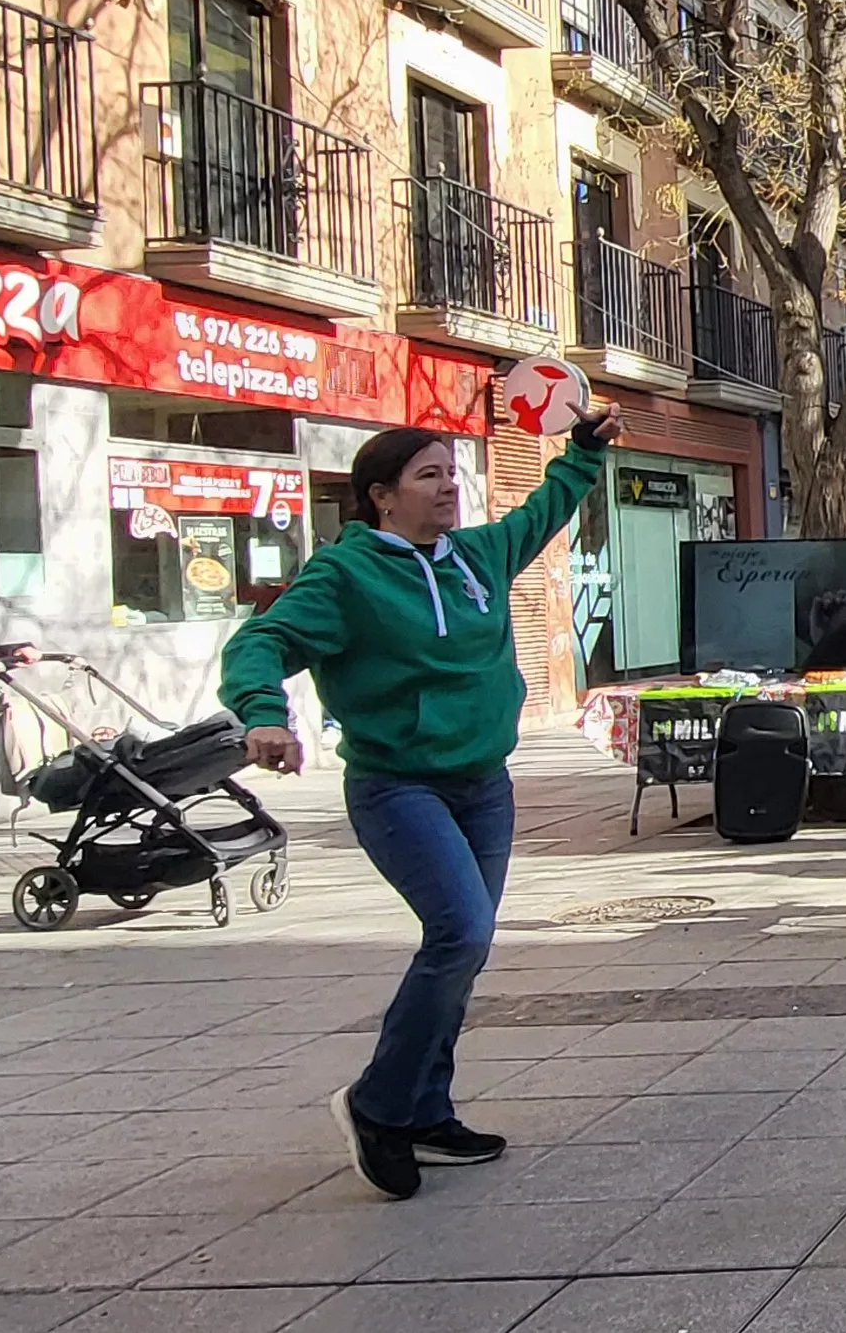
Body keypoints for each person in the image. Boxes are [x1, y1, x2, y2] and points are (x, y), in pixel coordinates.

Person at [222, 407, 622, 1200]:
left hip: (484, 785)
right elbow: (260, 642)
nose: (448, 487)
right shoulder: (345, 576)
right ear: (381, 495)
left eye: (451, 472)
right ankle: (377, 1104)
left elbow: (544, 509)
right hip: (397, 784)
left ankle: (426, 1111)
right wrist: (264, 713)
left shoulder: (476, 554)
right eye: (428, 475)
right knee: (460, 930)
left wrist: (582, 450)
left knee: (464, 947)